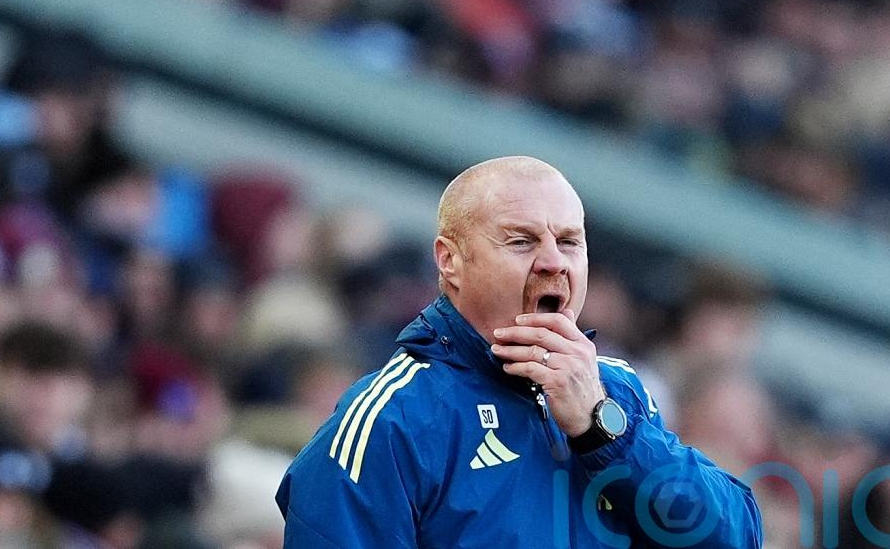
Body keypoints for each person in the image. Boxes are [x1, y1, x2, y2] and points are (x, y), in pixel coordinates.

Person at [276, 156, 762, 547]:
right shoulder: (391, 419)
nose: (553, 261)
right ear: (450, 261)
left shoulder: (617, 391)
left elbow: (737, 536)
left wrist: (603, 432)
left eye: (569, 242)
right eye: (521, 241)